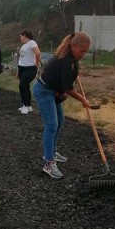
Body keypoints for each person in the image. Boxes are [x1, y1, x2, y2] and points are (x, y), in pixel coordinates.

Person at [33, 31, 91, 179]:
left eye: (86, 51)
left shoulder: (73, 59)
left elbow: (65, 82)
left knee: (60, 121)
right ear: (73, 46)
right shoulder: (65, 60)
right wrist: (83, 100)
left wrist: (64, 89)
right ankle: (49, 162)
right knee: (51, 125)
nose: (83, 54)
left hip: (54, 91)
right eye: (82, 50)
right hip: (44, 90)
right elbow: (68, 88)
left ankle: (52, 151)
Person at [17, 30, 41, 114]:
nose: (20, 38)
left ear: (25, 36)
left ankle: (25, 106)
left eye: (20, 36)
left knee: (22, 86)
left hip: (29, 68)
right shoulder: (24, 45)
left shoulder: (32, 43)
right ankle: (29, 105)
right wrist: (18, 70)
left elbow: (37, 53)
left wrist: (37, 64)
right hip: (22, 68)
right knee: (26, 86)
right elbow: (22, 58)